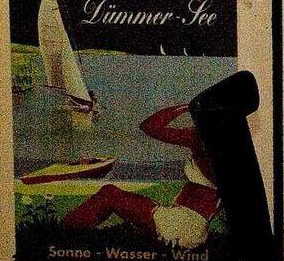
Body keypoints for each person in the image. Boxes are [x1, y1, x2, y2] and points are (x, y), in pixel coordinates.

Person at [57, 102, 219, 251]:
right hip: (189, 227)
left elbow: (150, 126)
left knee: (109, 194)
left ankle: (62, 234)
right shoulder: (213, 141)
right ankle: (68, 231)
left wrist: (185, 107)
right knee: (114, 197)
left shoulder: (200, 139)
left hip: (179, 226)